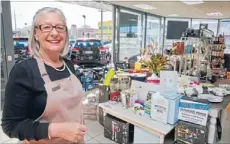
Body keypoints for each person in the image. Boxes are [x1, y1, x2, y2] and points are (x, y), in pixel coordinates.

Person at [1, 7, 86, 144]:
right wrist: (55, 130)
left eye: (60, 27)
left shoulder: (68, 65)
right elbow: (10, 125)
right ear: (35, 34)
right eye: (46, 27)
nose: (54, 33)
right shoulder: (24, 70)